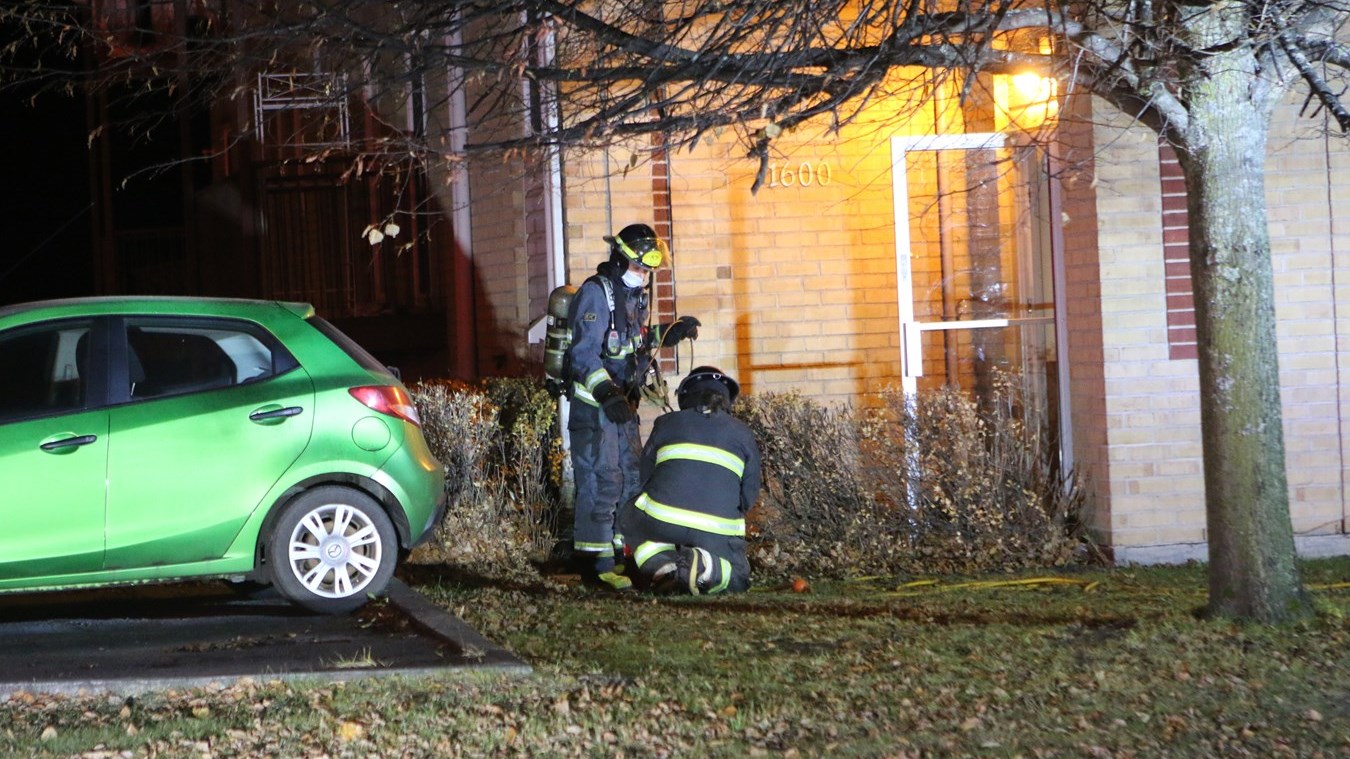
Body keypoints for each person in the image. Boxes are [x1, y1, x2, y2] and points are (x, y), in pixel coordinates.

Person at [566, 223, 700, 590]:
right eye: (640, 268)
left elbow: (632, 343)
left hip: (624, 404)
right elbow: (583, 355)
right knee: (602, 479)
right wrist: (607, 394)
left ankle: (624, 557)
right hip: (595, 408)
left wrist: (667, 334)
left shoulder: (634, 297)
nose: (644, 277)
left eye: (648, 271)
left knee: (629, 478)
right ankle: (594, 564)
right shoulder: (596, 295)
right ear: (621, 259)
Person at [617, 366, 761, 595]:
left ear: (686, 396)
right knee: (737, 578)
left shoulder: (665, 423)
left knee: (630, 518)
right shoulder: (742, 432)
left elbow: (645, 477)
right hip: (717, 530)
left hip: (661, 522)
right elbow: (749, 494)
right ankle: (705, 567)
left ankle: (666, 568)